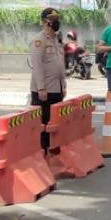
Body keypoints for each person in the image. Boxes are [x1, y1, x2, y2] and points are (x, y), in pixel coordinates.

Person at [30, 8, 66, 151]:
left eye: (57, 18)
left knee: (55, 121)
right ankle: (42, 150)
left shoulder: (57, 40)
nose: (56, 22)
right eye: (53, 19)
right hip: (44, 90)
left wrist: (63, 85)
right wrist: (41, 88)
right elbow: (37, 65)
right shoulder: (39, 40)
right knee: (43, 122)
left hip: (57, 88)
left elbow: (60, 65)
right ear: (46, 22)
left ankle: (53, 148)